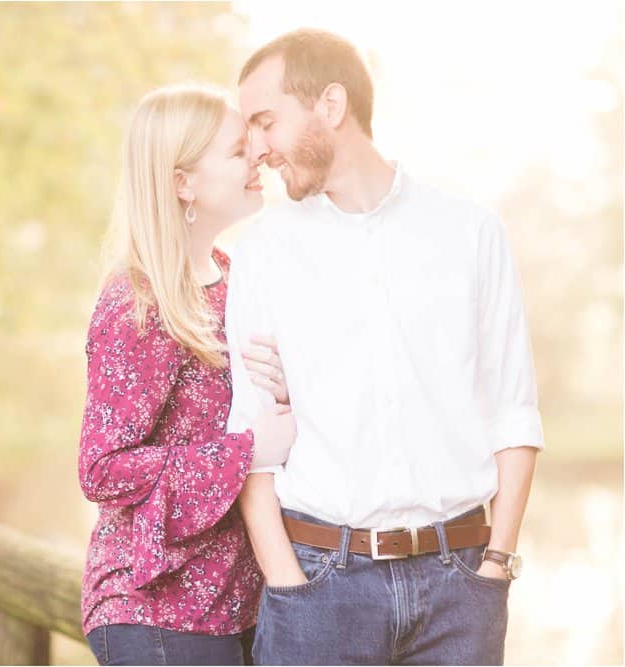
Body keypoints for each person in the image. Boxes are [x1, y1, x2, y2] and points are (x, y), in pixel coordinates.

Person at [227, 28, 544, 665]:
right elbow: (251, 439)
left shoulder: (469, 232)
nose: (256, 150)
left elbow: (512, 411)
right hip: (317, 587)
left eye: (266, 122)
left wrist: (495, 567)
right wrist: (288, 585)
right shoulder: (263, 250)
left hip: (462, 591)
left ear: (331, 105)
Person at [78, 82, 298, 666]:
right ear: (182, 183)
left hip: (234, 606)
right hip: (157, 613)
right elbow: (101, 470)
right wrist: (244, 451)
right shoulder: (137, 303)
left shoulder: (234, 277)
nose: (257, 156)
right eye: (235, 149)